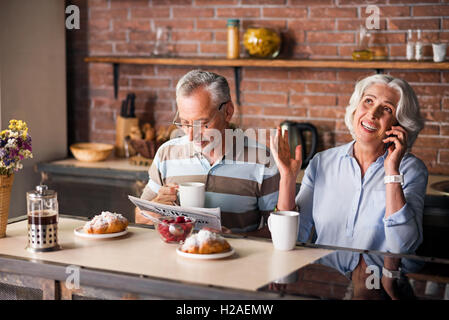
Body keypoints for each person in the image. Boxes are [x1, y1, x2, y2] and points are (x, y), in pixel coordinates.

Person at [271, 74, 428, 254]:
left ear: (399, 125)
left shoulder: (411, 170)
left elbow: (403, 247)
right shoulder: (322, 162)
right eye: (368, 101)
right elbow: (291, 238)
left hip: (378, 279)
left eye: (387, 109)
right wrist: (287, 179)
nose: (372, 113)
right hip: (326, 277)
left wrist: (392, 171)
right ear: (355, 108)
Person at [136, 69, 279, 237]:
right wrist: (156, 208)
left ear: (228, 112)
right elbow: (139, 218)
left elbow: (277, 230)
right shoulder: (166, 153)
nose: (191, 135)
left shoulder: (262, 160)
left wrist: (235, 240)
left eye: (202, 124)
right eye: (184, 123)